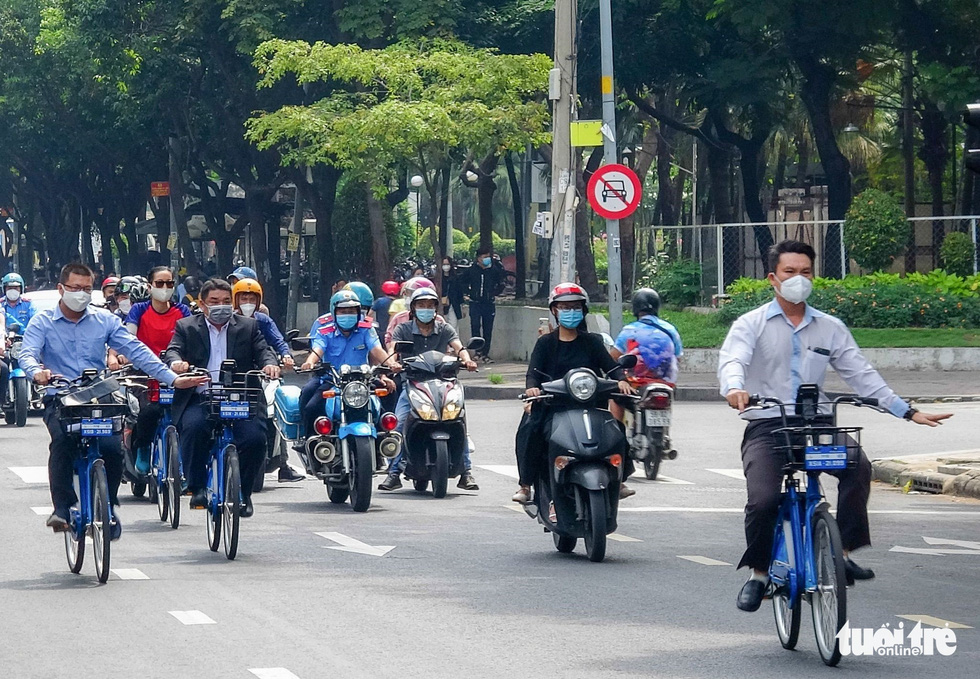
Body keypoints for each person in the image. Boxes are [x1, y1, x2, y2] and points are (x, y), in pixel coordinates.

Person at [718, 240, 953, 613]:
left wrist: (908, 412)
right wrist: (735, 388)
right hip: (768, 425)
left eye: (806, 272)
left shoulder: (830, 328)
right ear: (772, 278)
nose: (799, 279)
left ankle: (841, 552)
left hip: (818, 427)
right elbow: (733, 361)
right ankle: (759, 575)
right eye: (790, 272)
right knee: (763, 501)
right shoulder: (751, 325)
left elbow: (862, 376)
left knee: (858, 468)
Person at [20, 263, 208, 533]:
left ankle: (107, 506)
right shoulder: (43, 321)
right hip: (60, 397)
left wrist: (172, 379)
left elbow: (137, 351)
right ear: (61, 289)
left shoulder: (104, 321)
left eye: (86, 288)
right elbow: (27, 353)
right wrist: (37, 372)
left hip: (100, 396)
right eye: (74, 288)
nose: (81, 294)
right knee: (62, 443)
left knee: (111, 448)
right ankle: (62, 508)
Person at [165, 278, 281, 518]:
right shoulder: (186, 326)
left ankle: (244, 493)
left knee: (256, 439)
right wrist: (177, 363)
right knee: (194, 429)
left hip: (241, 398)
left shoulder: (248, 326)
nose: (221, 306)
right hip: (201, 396)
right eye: (214, 302)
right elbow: (173, 349)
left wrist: (270, 365)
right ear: (202, 304)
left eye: (227, 302)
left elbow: (263, 351)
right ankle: (196, 486)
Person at [512, 283, 634, 504]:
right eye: (565, 307)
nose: (570, 312)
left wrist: (622, 381)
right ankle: (525, 485)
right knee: (529, 429)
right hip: (553, 406)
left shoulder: (593, 342)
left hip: (591, 405)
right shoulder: (545, 343)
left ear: (583, 310)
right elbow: (533, 374)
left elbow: (611, 367)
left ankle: (620, 479)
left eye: (575, 307)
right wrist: (532, 390)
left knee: (616, 429)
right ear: (554, 311)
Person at [378, 287, 480, 492]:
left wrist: (467, 361)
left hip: (444, 382)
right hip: (412, 384)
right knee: (398, 426)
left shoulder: (445, 328)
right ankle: (394, 472)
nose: (426, 309)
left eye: (430, 306)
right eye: (421, 306)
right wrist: (393, 364)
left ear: (436, 308)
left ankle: (466, 472)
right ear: (413, 309)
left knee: (459, 420)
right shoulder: (403, 329)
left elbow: (459, 347)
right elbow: (393, 350)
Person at [117, 266, 193, 473]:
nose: (165, 288)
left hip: (178, 371)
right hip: (143, 372)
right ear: (150, 287)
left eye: (169, 284)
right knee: (148, 410)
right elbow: (128, 336)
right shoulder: (139, 310)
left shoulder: (182, 311)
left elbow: (191, 337)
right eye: (160, 284)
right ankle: (142, 448)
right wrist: (123, 355)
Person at [232, 277, 303, 483]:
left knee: (273, 413)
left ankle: (283, 464)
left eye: (251, 298)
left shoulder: (262, 320)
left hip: (262, 374)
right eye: (243, 297)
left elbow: (276, 341)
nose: (247, 301)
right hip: (232, 376)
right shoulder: (227, 320)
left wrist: (285, 356)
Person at [298, 290, 396, 438]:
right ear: (334, 312)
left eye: (351, 311)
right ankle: (308, 441)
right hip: (333, 380)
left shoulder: (366, 329)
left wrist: (391, 363)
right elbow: (318, 349)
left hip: (363, 380)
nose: (347, 315)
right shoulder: (325, 330)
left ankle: (386, 439)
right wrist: (309, 362)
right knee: (310, 404)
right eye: (342, 312)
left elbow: (376, 349)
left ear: (358, 312)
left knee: (390, 391)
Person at [461, 246, 506, 363]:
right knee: (475, 326)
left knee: (488, 329)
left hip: (488, 303)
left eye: (488, 257)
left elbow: (501, 283)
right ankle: (477, 352)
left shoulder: (494, 270)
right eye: (484, 257)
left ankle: (486, 353)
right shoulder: (472, 270)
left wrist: (493, 293)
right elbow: (462, 282)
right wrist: (469, 293)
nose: (487, 259)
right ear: (478, 259)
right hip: (475, 303)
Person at [440, 257, 464, 325]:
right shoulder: (439, 279)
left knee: (453, 325)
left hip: (453, 305)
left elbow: (460, 293)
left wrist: (462, 306)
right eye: (444, 264)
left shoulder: (456, 278)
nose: (446, 266)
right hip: (442, 306)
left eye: (447, 264)